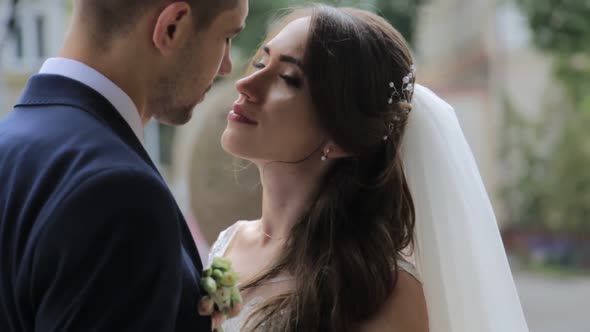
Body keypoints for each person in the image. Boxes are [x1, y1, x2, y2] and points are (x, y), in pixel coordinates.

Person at [209, 5, 530, 332]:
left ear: (340, 135)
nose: (246, 83)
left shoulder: (384, 292)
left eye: (289, 79)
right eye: (261, 62)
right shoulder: (228, 245)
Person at [0, 0, 248, 330]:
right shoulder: (121, 192)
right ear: (172, 26)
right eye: (227, 37)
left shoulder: (9, 143)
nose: (227, 66)